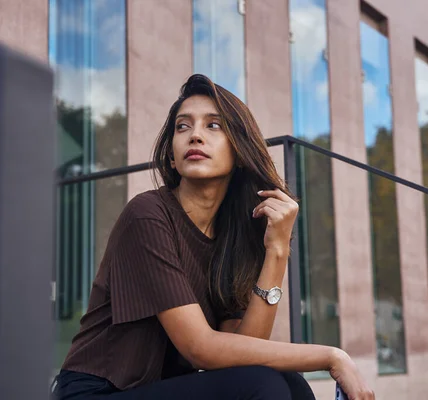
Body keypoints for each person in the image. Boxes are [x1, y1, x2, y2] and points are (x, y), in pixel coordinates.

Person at [52, 74, 374, 400]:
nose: (195, 136)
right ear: (172, 157)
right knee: (265, 386)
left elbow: (248, 349)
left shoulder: (232, 237)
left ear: (239, 151)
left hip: (156, 390)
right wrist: (333, 357)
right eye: (182, 126)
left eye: (213, 126)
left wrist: (276, 251)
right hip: (95, 393)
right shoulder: (147, 214)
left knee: (287, 382)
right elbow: (200, 349)